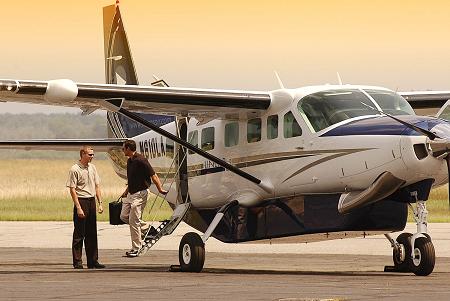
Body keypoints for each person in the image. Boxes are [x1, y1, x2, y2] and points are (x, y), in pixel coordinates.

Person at [120, 139, 168, 257]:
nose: (122, 150)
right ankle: (148, 229)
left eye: (123, 148)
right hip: (131, 193)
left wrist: (160, 189)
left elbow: (154, 175)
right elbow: (131, 179)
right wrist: (126, 191)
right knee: (124, 216)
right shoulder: (129, 161)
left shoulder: (141, 160)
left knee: (133, 220)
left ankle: (136, 248)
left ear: (128, 149)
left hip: (140, 194)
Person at [67, 146, 105, 269]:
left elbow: (97, 186)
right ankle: (77, 261)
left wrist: (100, 203)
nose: (92, 157)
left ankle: (93, 260)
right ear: (83, 154)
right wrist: (78, 207)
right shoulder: (75, 169)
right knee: (79, 233)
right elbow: (72, 189)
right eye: (90, 154)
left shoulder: (93, 168)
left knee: (92, 232)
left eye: (93, 154)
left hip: (91, 200)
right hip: (81, 200)